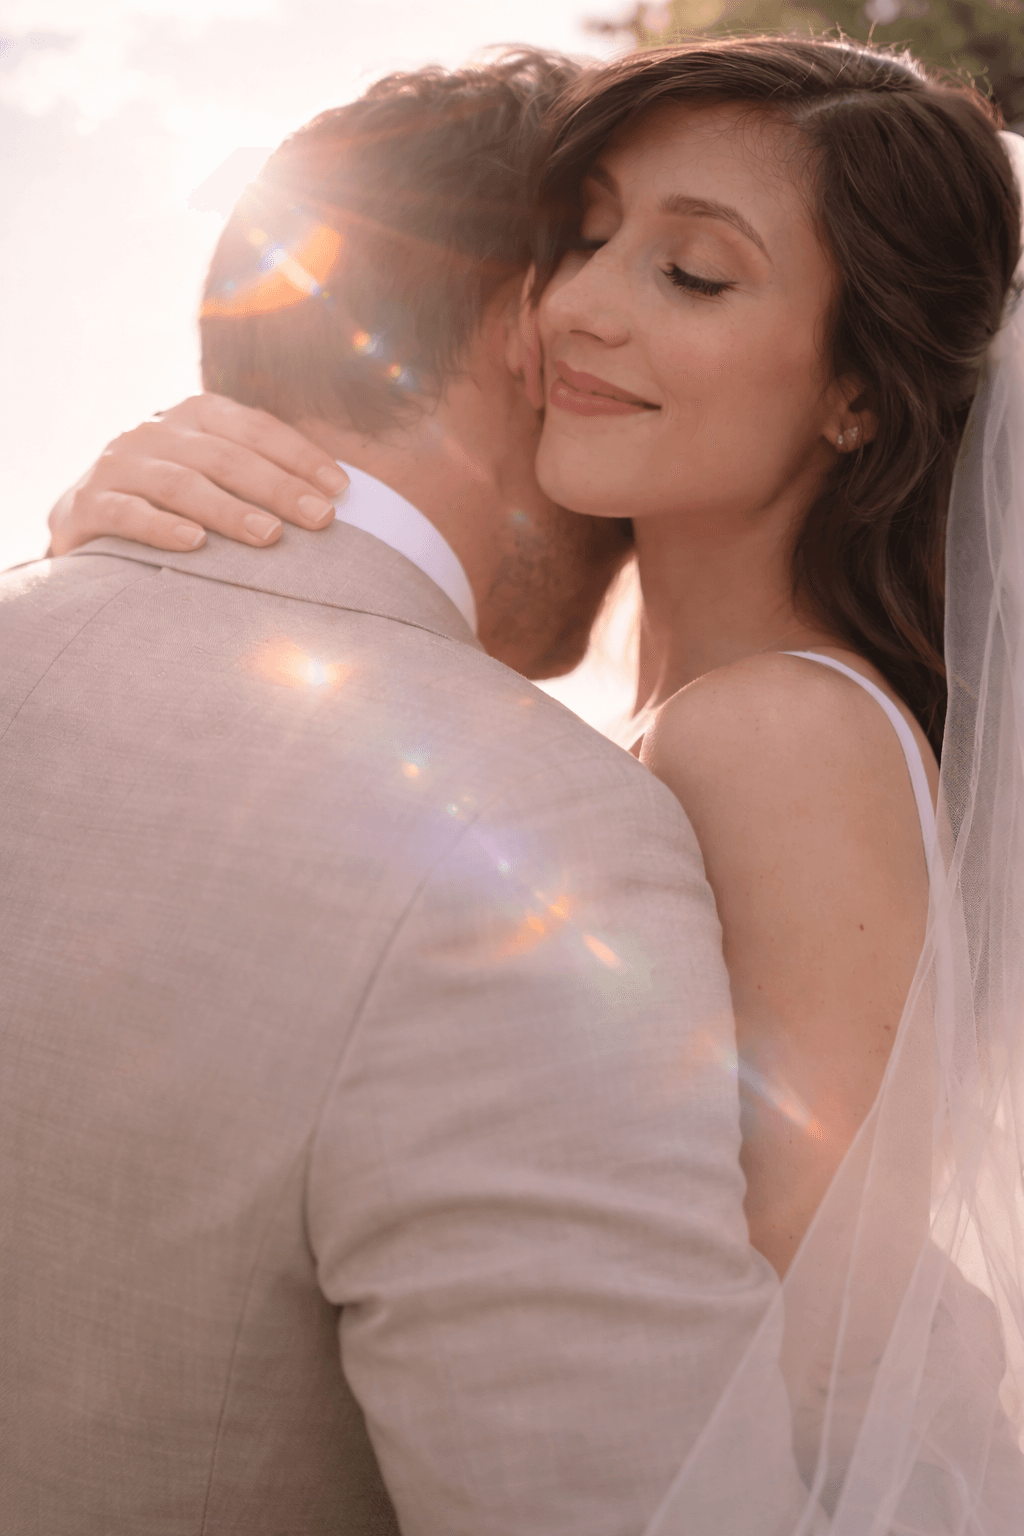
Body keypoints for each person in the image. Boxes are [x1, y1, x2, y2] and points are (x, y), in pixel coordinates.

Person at [55, 36, 1024, 1531]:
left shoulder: (772, 736)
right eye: (581, 243)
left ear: (856, 396)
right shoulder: (670, 726)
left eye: (692, 276)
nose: (572, 309)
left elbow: (824, 1342)